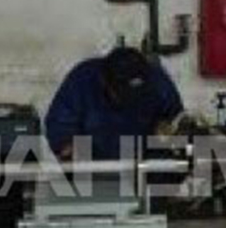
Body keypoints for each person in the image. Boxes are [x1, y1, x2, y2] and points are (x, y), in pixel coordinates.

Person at [45, 47, 184, 160]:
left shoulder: (157, 80)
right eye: (123, 93)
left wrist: (169, 134)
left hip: (143, 162)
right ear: (105, 83)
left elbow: (176, 120)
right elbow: (60, 128)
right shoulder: (82, 81)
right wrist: (74, 153)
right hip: (94, 165)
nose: (130, 100)